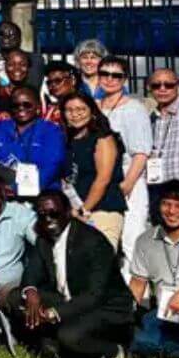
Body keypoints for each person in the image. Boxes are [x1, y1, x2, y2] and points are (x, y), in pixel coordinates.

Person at [3, 189, 134, 358]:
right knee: (17, 297)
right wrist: (31, 291)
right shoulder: (44, 239)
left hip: (105, 308)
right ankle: (53, 346)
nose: (48, 219)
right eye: (42, 215)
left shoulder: (92, 241)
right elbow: (31, 272)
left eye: (54, 213)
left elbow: (94, 295)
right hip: (69, 299)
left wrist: (54, 313)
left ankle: (114, 352)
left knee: (69, 336)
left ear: (68, 212)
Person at [128, 179, 179, 358]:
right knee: (141, 342)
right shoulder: (145, 240)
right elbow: (137, 283)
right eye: (166, 204)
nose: (172, 211)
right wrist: (127, 313)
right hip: (165, 314)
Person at [96, 55, 153, 266]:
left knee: (131, 239)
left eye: (116, 75)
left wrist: (127, 184)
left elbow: (141, 152)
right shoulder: (95, 107)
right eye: (105, 74)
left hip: (128, 177)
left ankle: (136, 285)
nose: (110, 79)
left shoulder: (134, 108)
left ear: (125, 79)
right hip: (101, 179)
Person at [62, 92, 126, 248]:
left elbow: (103, 179)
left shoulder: (103, 139)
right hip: (76, 210)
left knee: (100, 257)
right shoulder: (67, 140)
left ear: (92, 111)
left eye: (81, 109)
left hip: (102, 210)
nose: (75, 114)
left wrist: (84, 210)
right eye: (69, 110)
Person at [0, 86, 67, 198]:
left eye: (27, 105)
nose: (21, 108)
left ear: (38, 107)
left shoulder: (51, 131)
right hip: (0, 194)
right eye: (16, 105)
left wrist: (17, 189)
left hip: (40, 195)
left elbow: (51, 168)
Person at [147, 67, 179, 211]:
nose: (162, 89)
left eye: (168, 85)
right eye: (156, 85)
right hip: (159, 196)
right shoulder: (151, 119)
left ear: (178, 87)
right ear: (149, 89)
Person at [0, 21, 45, 90]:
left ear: (19, 39)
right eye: (2, 34)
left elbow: (32, 87)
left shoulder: (34, 59)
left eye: (11, 34)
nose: (6, 37)